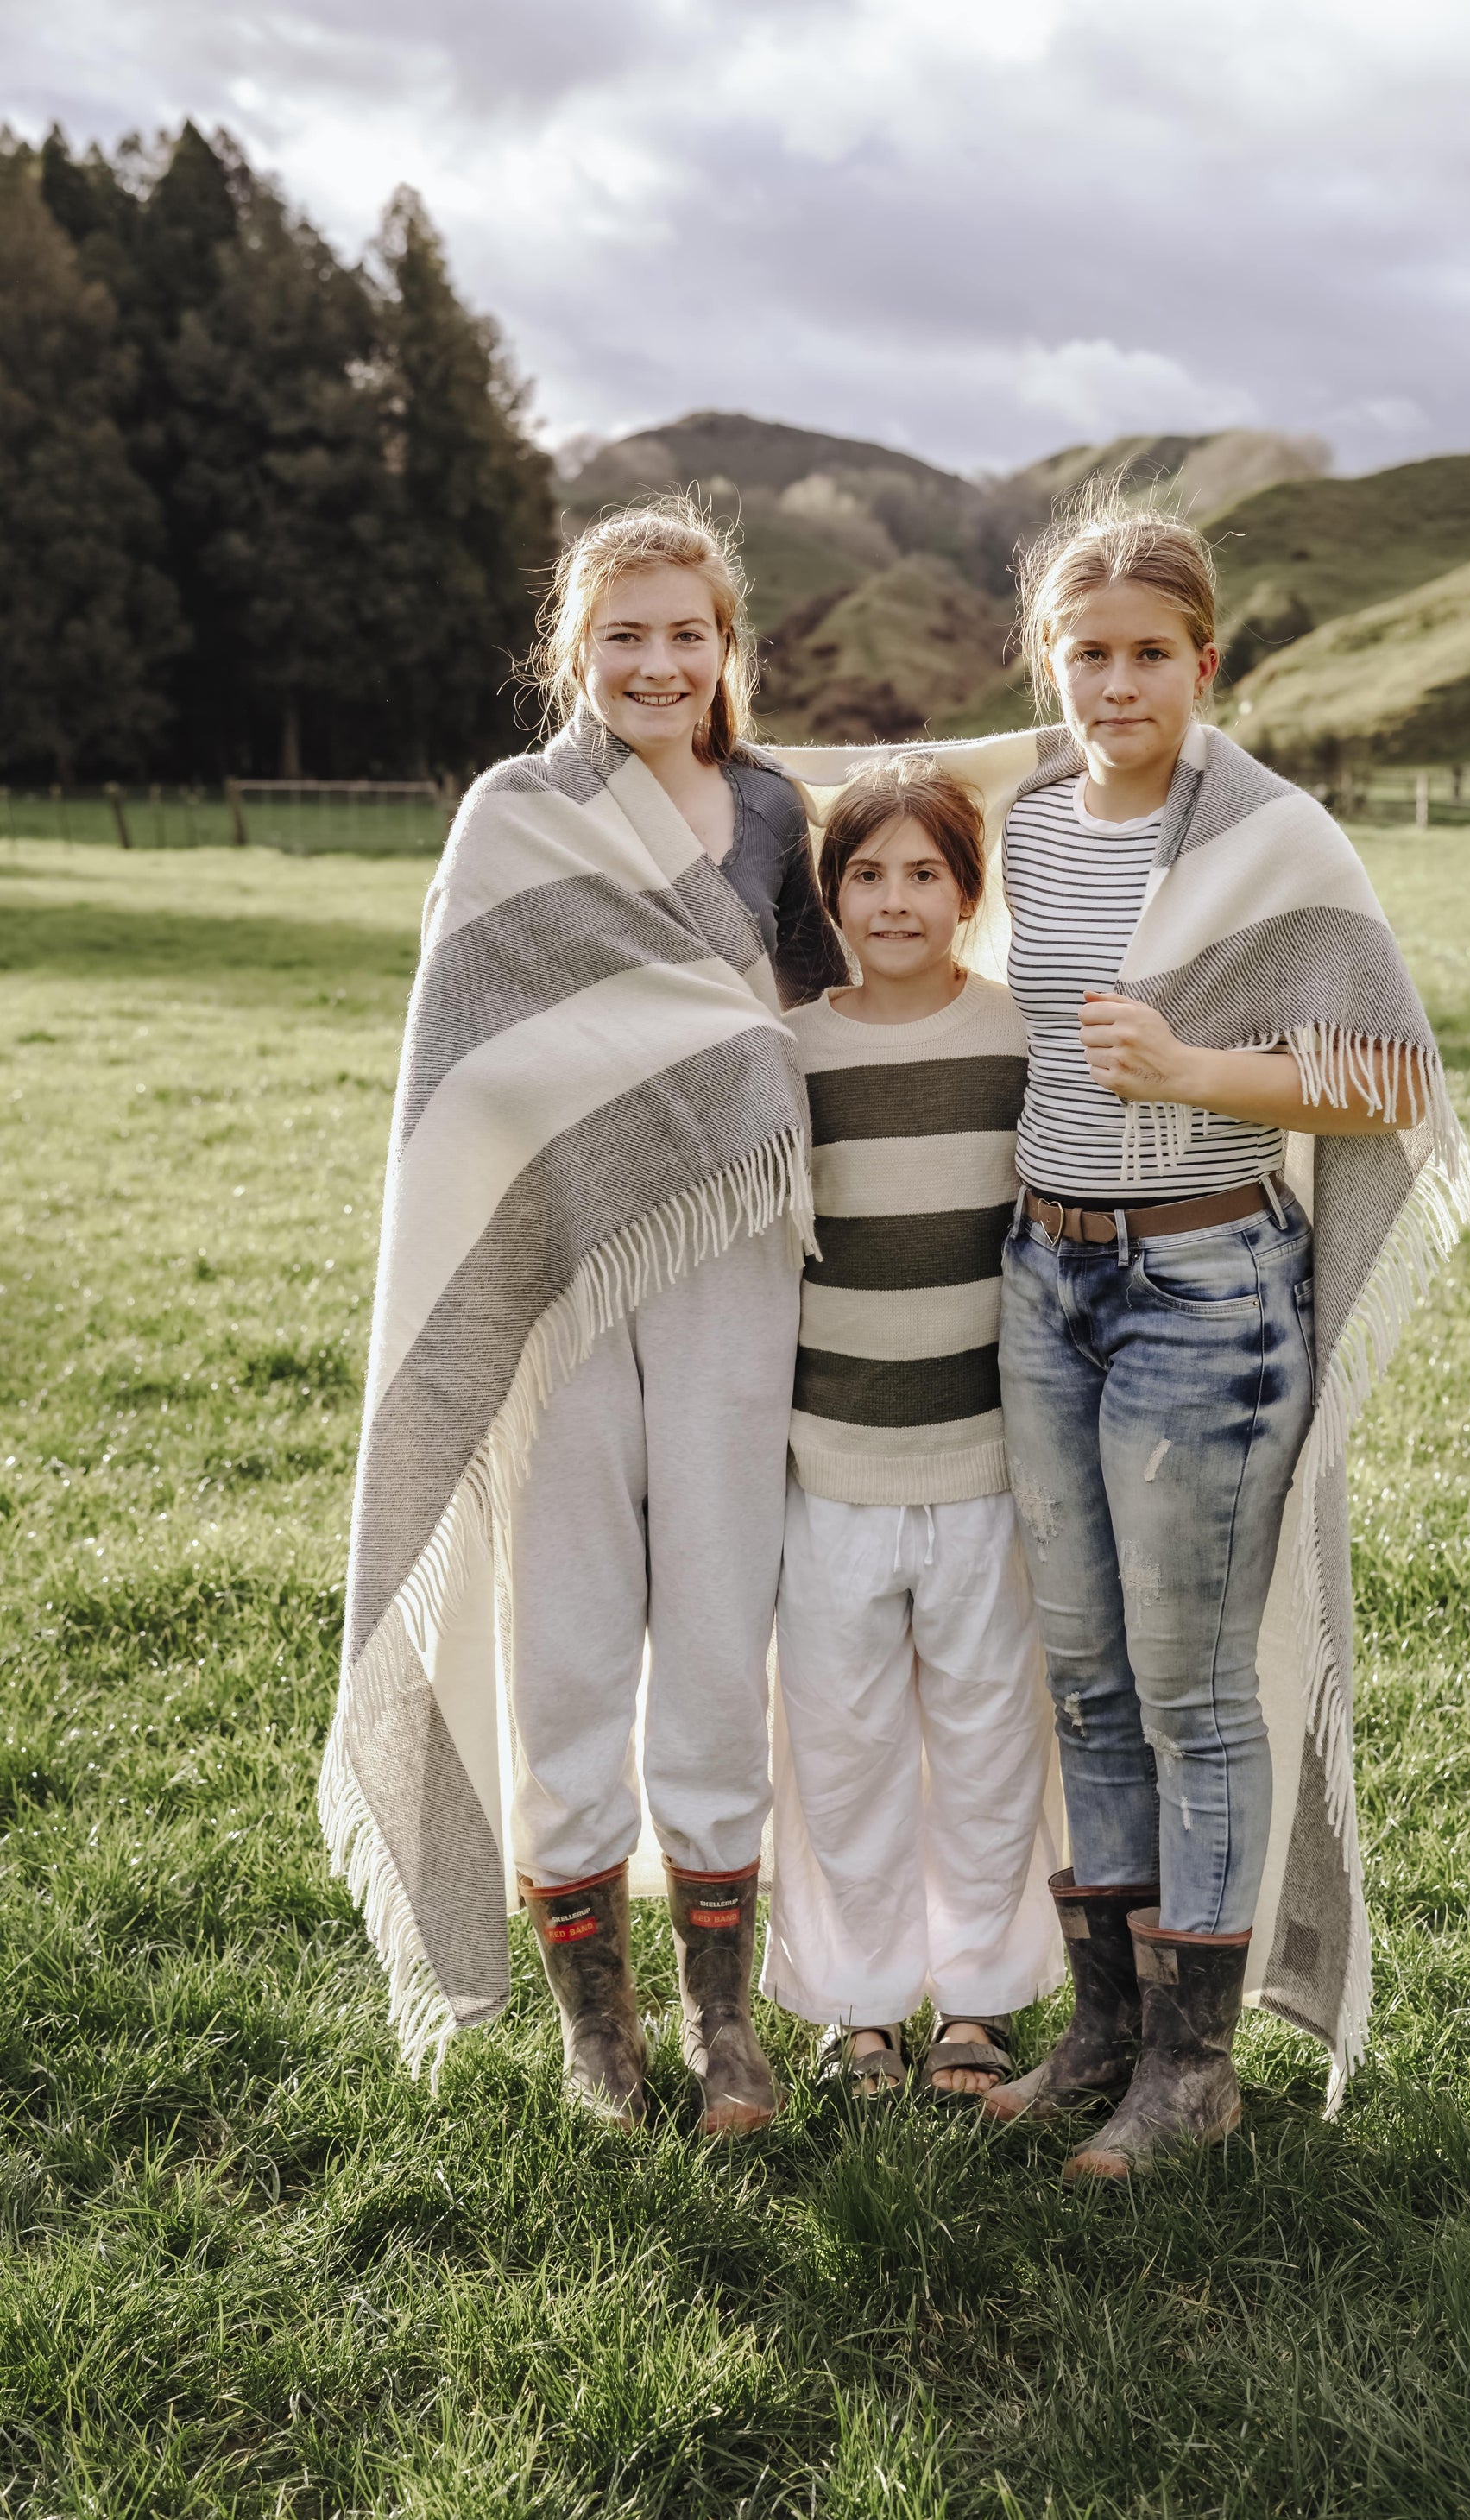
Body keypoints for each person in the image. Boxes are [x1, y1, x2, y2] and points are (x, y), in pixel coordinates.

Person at [322, 496, 845, 2130]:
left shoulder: (770, 811)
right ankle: (594, 2033)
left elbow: (806, 1018)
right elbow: (464, 1069)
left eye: (688, 633)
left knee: (713, 1622)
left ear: (726, 651)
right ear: (574, 646)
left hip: (730, 1259)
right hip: (554, 1277)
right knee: (559, 1636)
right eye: (625, 632)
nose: (658, 661)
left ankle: (723, 2022)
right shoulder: (513, 816)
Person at [966, 501, 1458, 2175]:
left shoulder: (1276, 838)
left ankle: (1193, 2065)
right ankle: (1099, 2028)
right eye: (1084, 653)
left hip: (1205, 1295)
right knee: (1085, 1683)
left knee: (1188, 1691)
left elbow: (1391, 1081)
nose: (1114, 682)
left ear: (1205, 662)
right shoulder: (1028, 827)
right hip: (1042, 1281)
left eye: (1147, 655)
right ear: (1051, 662)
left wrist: (1195, 1074)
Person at [759, 759, 1062, 2099]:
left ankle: (978, 2003)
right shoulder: (788, 1050)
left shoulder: (1016, 1041)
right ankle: (857, 2007)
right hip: (830, 1464)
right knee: (840, 1742)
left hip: (985, 1462)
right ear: (829, 897)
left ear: (966, 891)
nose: (894, 900)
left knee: (993, 1738)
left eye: (923, 874)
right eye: (866, 874)